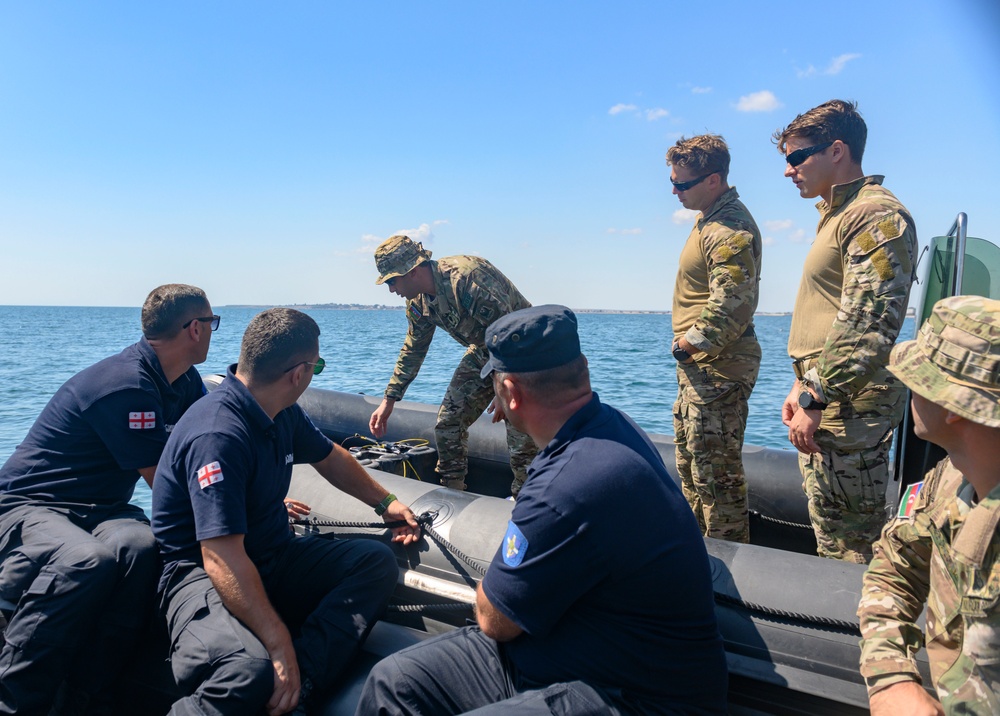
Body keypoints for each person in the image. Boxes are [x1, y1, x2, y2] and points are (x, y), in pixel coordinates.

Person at [356, 305, 728, 715]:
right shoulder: (613, 427)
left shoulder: (564, 484)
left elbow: (495, 620)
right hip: (575, 651)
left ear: (511, 393)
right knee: (397, 681)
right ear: (580, 369)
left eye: (496, 387)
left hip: (634, 695)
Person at [151, 307, 421, 716]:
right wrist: (277, 644)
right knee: (247, 671)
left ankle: (301, 688)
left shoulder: (279, 412)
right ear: (299, 373)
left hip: (270, 554)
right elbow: (220, 557)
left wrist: (386, 504)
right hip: (199, 574)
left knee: (373, 562)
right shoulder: (218, 435)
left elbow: (329, 458)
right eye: (318, 367)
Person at [0, 284, 215, 715]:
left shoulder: (183, 382)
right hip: (31, 504)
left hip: (101, 510)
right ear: (194, 329)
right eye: (212, 323)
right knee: (86, 559)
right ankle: (15, 700)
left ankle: (88, 699)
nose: (212, 331)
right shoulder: (126, 385)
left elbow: (211, 449)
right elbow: (167, 486)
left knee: (141, 547)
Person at [774, 99, 918, 563]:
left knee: (851, 552)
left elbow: (867, 324)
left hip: (849, 409)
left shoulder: (874, 216)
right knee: (831, 541)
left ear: (837, 150)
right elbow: (829, 314)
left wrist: (816, 395)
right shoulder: (838, 213)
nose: (788, 170)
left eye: (797, 157)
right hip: (829, 400)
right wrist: (801, 384)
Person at [858, 295, 1000, 715]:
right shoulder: (949, 479)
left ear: (955, 407)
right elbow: (894, 565)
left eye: (919, 377)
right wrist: (891, 678)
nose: (909, 389)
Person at [369, 234, 538, 496]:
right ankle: (453, 494)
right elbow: (413, 349)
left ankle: (526, 500)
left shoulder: (466, 278)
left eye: (392, 280)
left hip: (524, 352)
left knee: (518, 431)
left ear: (412, 271)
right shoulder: (418, 302)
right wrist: (389, 400)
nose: (391, 289)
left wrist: (505, 385)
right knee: (448, 422)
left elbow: (510, 329)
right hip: (485, 352)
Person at [665, 134, 762, 543]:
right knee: (693, 470)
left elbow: (733, 303)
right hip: (702, 372)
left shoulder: (728, 227)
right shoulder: (708, 219)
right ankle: (700, 559)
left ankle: (729, 575)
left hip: (717, 372)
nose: (674, 191)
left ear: (713, 179)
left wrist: (688, 346)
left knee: (717, 483)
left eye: (683, 184)